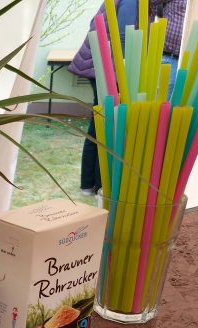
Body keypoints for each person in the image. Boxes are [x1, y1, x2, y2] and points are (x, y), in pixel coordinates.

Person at [68, 0, 137, 195]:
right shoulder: (132, 1)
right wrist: (122, 73)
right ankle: (100, 185)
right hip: (108, 68)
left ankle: (89, 184)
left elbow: (94, 21)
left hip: (102, 64)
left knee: (99, 125)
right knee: (106, 125)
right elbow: (122, 37)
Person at [150, 0, 187, 99]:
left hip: (191, 59)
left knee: (182, 103)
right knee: (162, 102)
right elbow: (151, 2)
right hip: (169, 57)